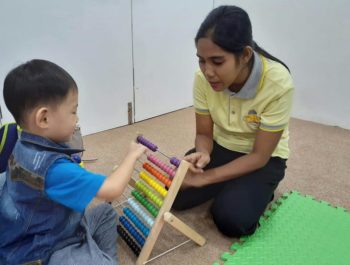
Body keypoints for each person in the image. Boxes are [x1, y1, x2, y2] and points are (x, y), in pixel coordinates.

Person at [0, 59, 147, 265]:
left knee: (105, 213)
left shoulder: (21, 142)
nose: (77, 119)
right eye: (73, 111)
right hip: (45, 247)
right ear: (44, 119)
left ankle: (95, 254)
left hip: (48, 225)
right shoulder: (55, 169)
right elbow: (112, 189)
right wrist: (131, 155)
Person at [172, 5, 294, 237]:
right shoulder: (202, 79)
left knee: (232, 219)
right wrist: (203, 153)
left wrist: (206, 178)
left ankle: (259, 189)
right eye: (201, 60)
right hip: (221, 148)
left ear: (246, 55)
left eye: (217, 61)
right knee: (172, 192)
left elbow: (259, 156)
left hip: (263, 159)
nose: (208, 71)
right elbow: (205, 134)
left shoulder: (278, 83)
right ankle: (230, 183)